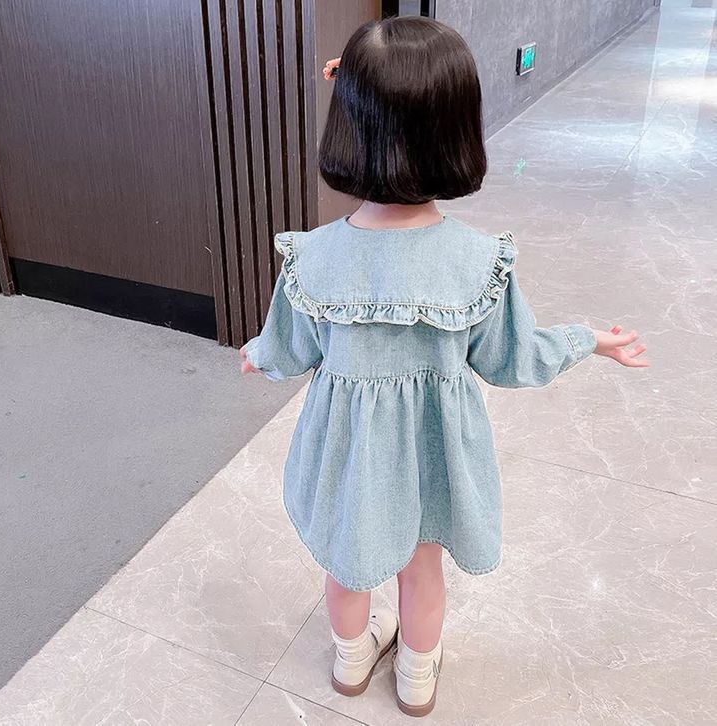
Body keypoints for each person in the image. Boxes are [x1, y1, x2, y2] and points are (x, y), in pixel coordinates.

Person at [240, 16, 647, 718]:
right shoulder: (477, 262)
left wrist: (259, 353)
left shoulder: (314, 257)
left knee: (347, 564)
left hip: (348, 453)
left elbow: (291, 346)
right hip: (434, 457)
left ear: (346, 129)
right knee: (422, 568)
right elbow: (512, 358)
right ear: (458, 133)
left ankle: (350, 661)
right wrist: (588, 340)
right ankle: (417, 679)